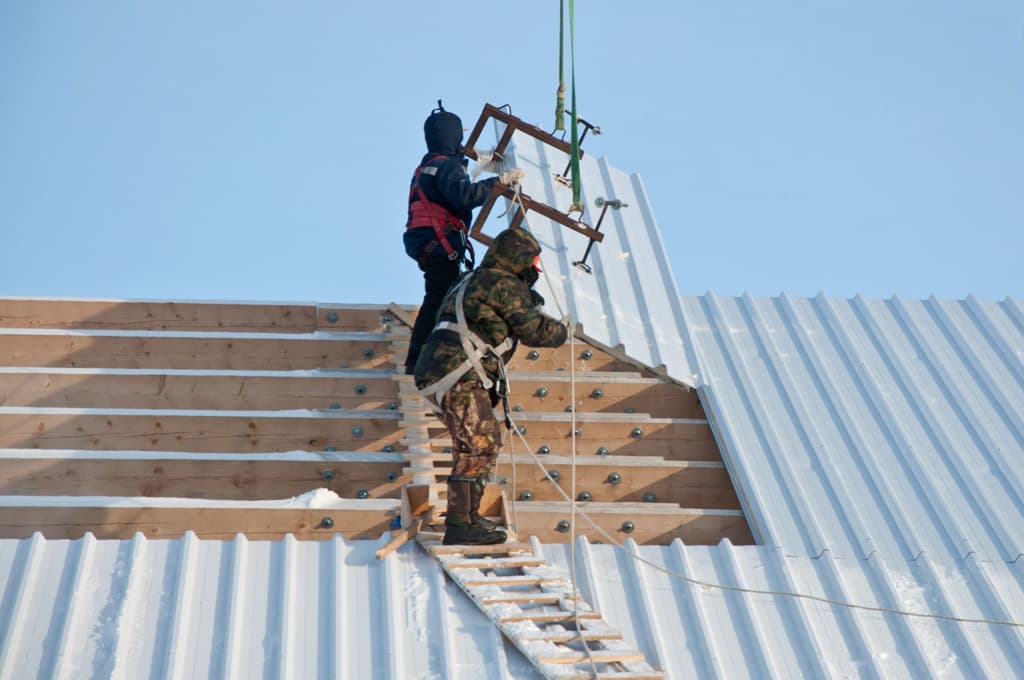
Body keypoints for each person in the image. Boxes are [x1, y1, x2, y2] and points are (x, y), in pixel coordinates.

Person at [415, 227, 568, 545]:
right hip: (459, 371)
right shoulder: (501, 282)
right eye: (531, 263)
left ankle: (468, 518)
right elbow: (536, 331)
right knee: (480, 443)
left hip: (442, 368)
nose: (534, 270)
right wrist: (566, 329)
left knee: (477, 444)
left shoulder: (472, 278)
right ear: (518, 259)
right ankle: (460, 524)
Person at [403, 101, 524, 375]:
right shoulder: (447, 166)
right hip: (438, 244)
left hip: (426, 242)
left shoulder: (429, 165)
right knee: (439, 300)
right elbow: (464, 196)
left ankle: (427, 355)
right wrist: (499, 182)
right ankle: (420, 361)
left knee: (441, 297)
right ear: (454, 136)